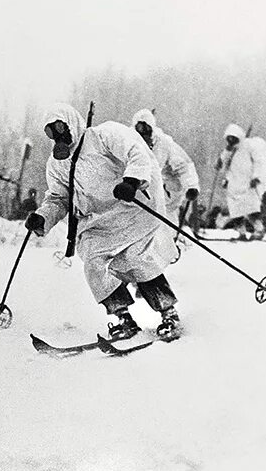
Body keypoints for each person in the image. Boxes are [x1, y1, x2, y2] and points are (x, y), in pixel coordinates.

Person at [24, 103, 181, 341]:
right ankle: (122, 318)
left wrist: (132, 180)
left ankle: (168, 313)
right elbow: (58, 198)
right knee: (95, 265)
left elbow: (136, 152)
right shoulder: (56, 164)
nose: (59, 135)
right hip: (97, 223)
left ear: (71, 122)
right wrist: (43, 216)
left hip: (130, 212)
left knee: (137, 260)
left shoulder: (104, 135)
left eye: (60, 127)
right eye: (51, 132)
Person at [130, 109, 199, 225]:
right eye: (140, 132)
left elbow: (183, 165)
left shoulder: (164, 144)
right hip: (141, 192)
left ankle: (173, 239)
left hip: (166, 193)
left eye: (147, 131)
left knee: (165, 225)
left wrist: (191, 186)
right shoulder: (130, 141)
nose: (144, 136)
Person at [217, 124, 266, 240]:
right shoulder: (229, 151)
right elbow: (225, 166)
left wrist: (256, 177)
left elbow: (258, 161)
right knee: (236, 210)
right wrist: (226, 178)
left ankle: (259, 230)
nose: (231, 140)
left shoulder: (249, 146)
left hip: (248, 183)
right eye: (229, 138)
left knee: (252, 208)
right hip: (234, 184)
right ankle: (241, 233)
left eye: (233, 138)